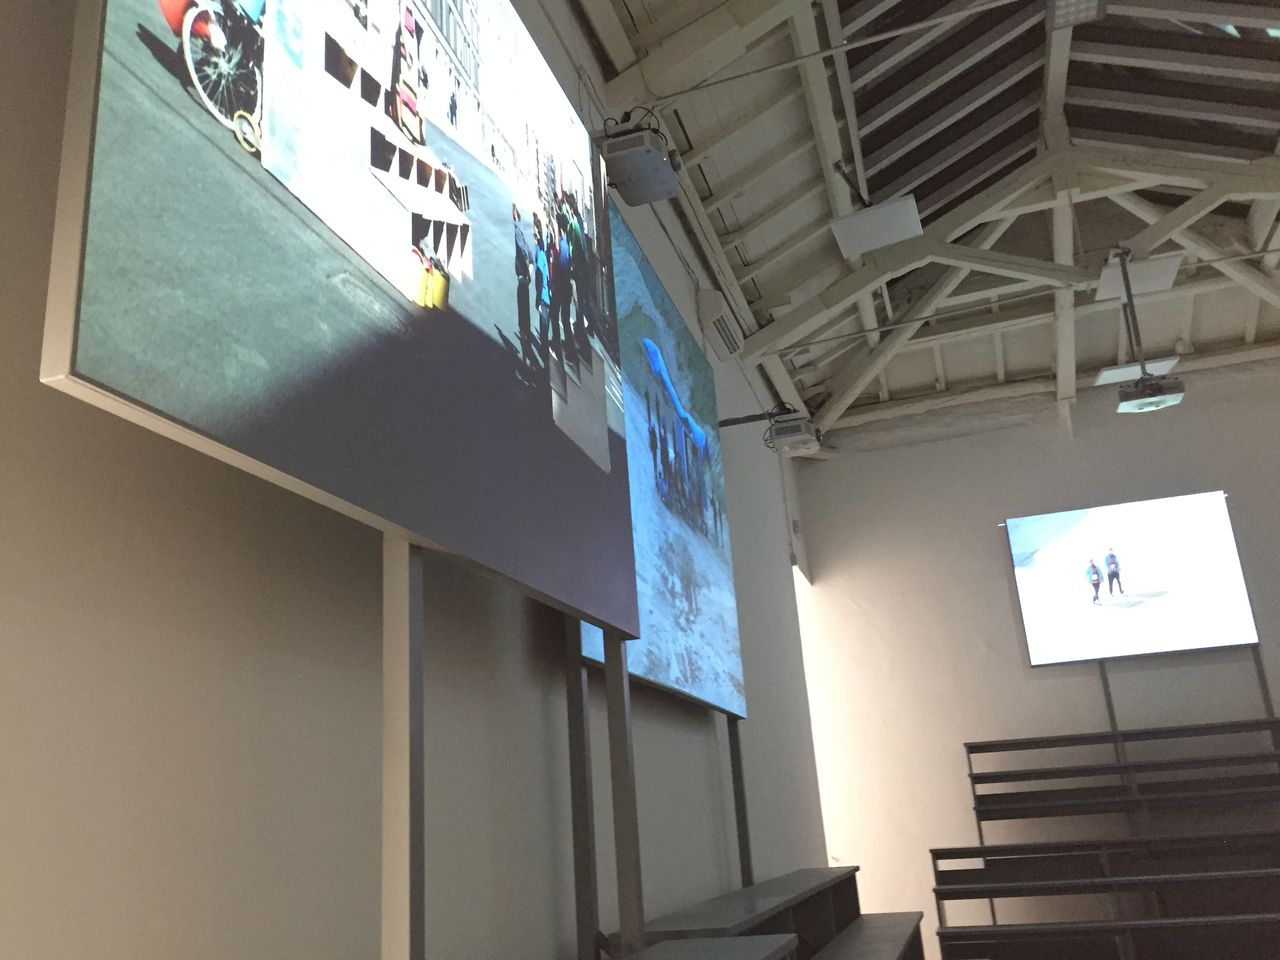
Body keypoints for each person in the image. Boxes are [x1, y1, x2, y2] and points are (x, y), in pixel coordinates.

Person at [512, 205, 534, 367]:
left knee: (522, 306)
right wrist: (530, 265)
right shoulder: (522, 232)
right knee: (525, 306)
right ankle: (526, 332)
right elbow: (528, 251)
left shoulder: (517, 231)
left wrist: (526, 268)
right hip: (525, 276)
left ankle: (524, 334)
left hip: (522, 277)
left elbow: (523, 250)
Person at [533, 214, 551, 369]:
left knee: (544, 329)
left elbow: (539, 279)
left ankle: (545, 359)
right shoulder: (543, 254)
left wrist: (537, 300)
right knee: (545, 328)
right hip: (548, 296)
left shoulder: (539, 255)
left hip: (544, 298)